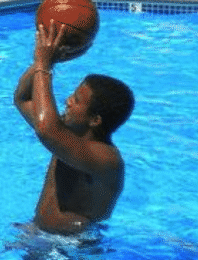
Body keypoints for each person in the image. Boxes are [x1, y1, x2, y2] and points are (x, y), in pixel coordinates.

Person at [13, 21, 134, 236]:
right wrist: (47, 62)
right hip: (41, 234)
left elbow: (46, 130)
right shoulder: (65, 133)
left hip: (76, 249)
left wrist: (44, 65)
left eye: (77, 100)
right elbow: (23, 98)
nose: (68, 100)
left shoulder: (106, 159)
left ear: (95, 120)